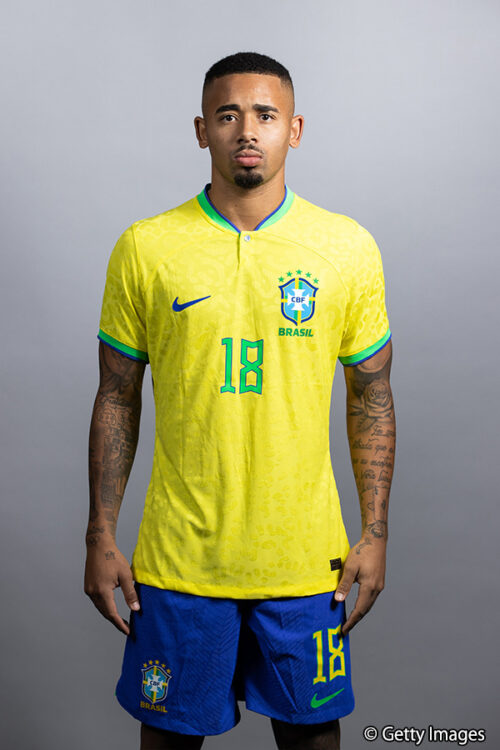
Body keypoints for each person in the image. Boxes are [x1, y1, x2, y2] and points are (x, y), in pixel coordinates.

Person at [84, 51, 396, 750]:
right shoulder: (147, 247)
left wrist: (374, 533)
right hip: (179, 564)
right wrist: (100, 533)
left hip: (307, 565)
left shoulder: (345, 247)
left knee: (312, 740)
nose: (247, 130)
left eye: (265, 114)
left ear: (295, 129)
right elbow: (117, 395)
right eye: (228, 115)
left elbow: (371, 394)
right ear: (202, 130)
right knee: (169, 741)